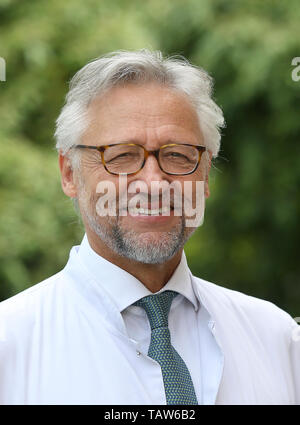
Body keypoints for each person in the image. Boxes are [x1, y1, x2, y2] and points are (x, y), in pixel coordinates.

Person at [0, 50, 299, 405]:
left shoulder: (275, 338)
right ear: (69, 173)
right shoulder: (10, 344)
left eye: (178, 155)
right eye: (122, 155)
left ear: (205, 175)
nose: (154, 182)